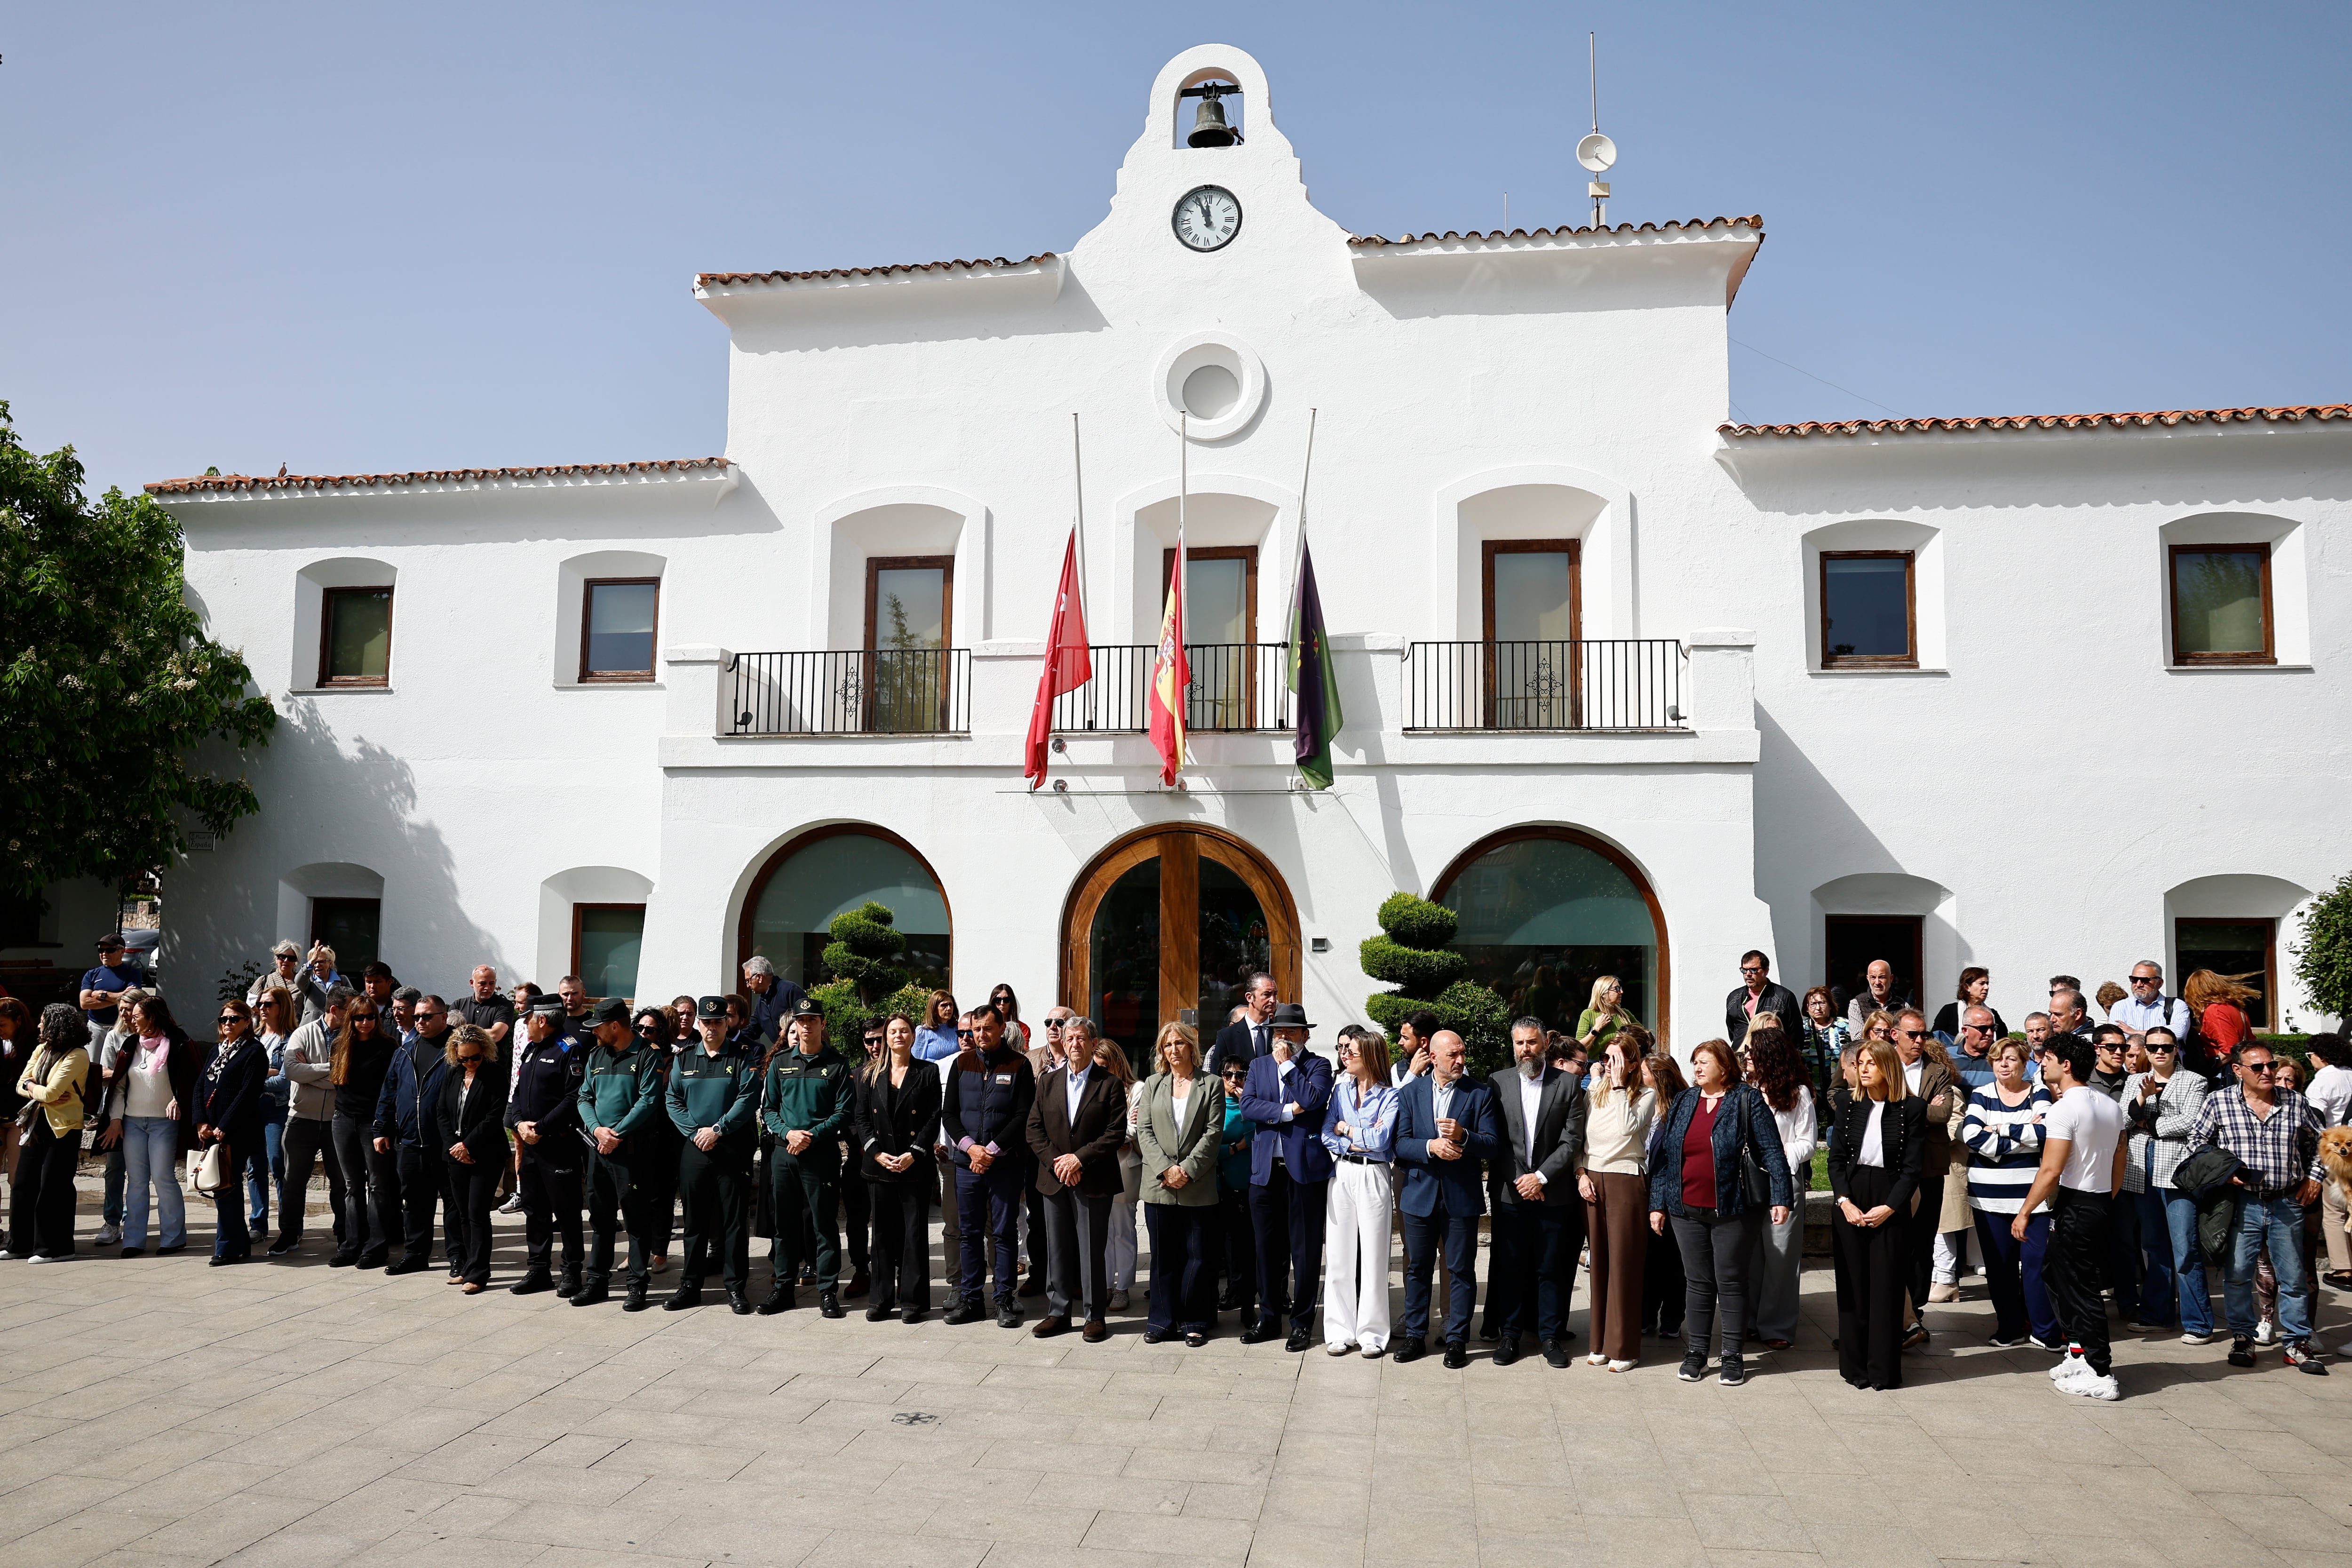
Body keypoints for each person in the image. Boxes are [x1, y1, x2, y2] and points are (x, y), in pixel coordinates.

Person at [1649, 1039, 1793, 1386]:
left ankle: (1732, 1355)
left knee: (1730, 1281)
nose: (1697, 1068)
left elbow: (1773, 1152)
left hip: (1734, 1207)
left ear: (1725, 1067)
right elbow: (1666, 1159)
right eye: (1694, 1062)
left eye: (1704, 1062)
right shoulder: (1685, 1101)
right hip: (1686, 1209)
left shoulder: (1747, 1099)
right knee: (1697, 1282)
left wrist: (1781, 1197)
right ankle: (1696, 1352)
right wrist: (1658, 1204)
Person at [2186, 1041, 2327, 1374]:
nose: (2269, 1072)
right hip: (2243, 1202)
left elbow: (2325, 1141)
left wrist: (2315, 1177)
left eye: (2272, 1065)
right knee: (2237, 1276)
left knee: (2292, 1277)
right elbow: (2196, 1144)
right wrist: (2225, 1171)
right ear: (2238, 1070)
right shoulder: (2218, 1102)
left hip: (2286, 1200)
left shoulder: (2295, 1101)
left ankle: (2296, 1343)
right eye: (2259, 1067)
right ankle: (2243, 1337)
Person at [2015, 1035, 2129, 1399]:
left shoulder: (2064, 1109)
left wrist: (2024, 1212)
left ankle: (2100, 1370)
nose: (2041, 1063)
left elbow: (2051, 1170)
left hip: (2079, 1205)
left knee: (2082, 1288)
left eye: (2046, 1057)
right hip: (2096, 1203)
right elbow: (2120, 1157)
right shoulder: (2111, 1106)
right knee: (2054, 1272)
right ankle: (2079, 1351)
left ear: (2065, 1064)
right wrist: (2105, 1198)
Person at [1390, 1028, 1499, 1366]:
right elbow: (1399, 1144)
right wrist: (1431, 1146)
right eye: (1453, 1054)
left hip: (1460, 1197)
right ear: (1433, 1056)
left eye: (1463, 1052)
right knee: (1418, 1268)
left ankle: (1456, 1339)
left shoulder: (1480, 1093)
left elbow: (1493, 1144)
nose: (1461, 1060)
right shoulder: (1410, 1092)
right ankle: (1415, 1335)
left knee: (1461, 1269)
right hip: (1419, 1195)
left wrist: (1464, 1136)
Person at [1486, 1016, 1586, 1369]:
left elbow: (1572, 1139)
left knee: (1551, 1267)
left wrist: (1540, 1177)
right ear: (1512, 1045)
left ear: (1545, 1044)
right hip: (1511, 1192)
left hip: (1553, 1192)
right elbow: (1495, 1141)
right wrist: (1521, 1179)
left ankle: (1550, 1336)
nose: (1525, 1049)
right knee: (1511, 1266)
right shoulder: (1497, 1083)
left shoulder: (1568, 1084)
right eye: (1519, 1043)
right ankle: (1510, 1335)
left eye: (1531, 1042)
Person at [1828, 1038, 1926, 1390]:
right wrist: (1845, 1202)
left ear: (1888, 1067)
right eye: (1861, 1063)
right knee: (1853, 1286)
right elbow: (1836, 1160)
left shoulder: (1912, 1108)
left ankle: (1883, 1370)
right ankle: (1855, 1368)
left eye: (1871, 1063)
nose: (1863, 1069)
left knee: (1886, 1287)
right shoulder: (1847, 1104)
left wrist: (1889, 1207)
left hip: (1891, 1198)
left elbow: (1913, 1168)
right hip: (1852, 1196)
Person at [1238, 1003, 1336, 1351]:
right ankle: (1268, 1317)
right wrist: (1284, 1111)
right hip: (1265, 1172)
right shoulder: (1258, 1066)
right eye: (1277, 1032)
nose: (1282, 1038)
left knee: (1305, 1250)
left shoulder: (1318, 1066)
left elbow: (1311, 1099)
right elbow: (1248, 1106)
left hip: (1303, 1172)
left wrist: (1289, 1065)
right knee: (1266, 1249)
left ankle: (1302, 1322)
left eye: (1290, 1033)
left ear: (1305, 1035)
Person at [1025, 1013, 1127, 1341]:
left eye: (1081, 1038)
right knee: (1057, 1248)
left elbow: (1115, 1132)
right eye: (1070, 1038)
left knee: (1091, 1250)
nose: (1074, 1044)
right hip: (1055, 1177)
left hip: (1093, 1177)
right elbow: (1034, 1128)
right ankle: (1058, 1312)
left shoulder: (1108, 1083)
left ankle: (1095, 1316)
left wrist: (1078, 1159)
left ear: (1093, 1043)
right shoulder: (1047, 1082)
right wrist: (1058, 1162)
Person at [1959, 1036, 2059, 1349]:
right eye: (1999, 1059)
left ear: (2024, 1063)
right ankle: (2010, 1327)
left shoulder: (2039, 1092)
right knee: (2000, 1266)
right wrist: (2020, 1138)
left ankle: (2045, 1330)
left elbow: (2045, 1133)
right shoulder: (1982, 1094)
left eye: (2012, 1058)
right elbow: (1970, 1135)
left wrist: (2000, 1129)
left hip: (2034, 1198)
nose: (2004, 1064)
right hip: (1988, 1197)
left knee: (2036, 1264)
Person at [942, 1004, 1035, 1327]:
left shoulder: (1019, 1065)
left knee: (1004, 1232)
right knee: (968, 1233)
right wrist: (971, 1149)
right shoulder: (961, 1063)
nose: (980, 1035)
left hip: (1005, 1164)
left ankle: (1005, 1298)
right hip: (967, 1164)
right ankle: (971, 1299)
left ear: (1001, 1029)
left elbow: (1023, 1115)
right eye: (975, 1029)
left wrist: (991, 1151)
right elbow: (950, 1114)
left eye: (987, 1029)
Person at [759, 997, 852, 1316]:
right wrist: (789, 1134)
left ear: (823, 1024)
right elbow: (768, 1109)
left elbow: (844, 1112)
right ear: (794, 1025)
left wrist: (810, 1135)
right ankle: (783, 1288)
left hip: (820, 1154)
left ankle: (828, 1291)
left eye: (813, 1019)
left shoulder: (838, 1064)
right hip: (785, 1154)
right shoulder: (781, 1062)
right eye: (801, 1020)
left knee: (824, 1225)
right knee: (784, 1225)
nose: (807, 1025)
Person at [667, 996, 760, 1313]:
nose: (711, 1028)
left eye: (717, 1022)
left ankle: (736, 1288)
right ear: (699, 1024)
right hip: (695, 1148)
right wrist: (696, 1132)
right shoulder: (684, 1058)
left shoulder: (743, 1057)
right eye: (705, 1023)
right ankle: (690, 1285)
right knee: (694, 1222)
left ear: (726, 1023)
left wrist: (717, 1129)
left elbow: (748, 1100)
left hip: (731, 1148)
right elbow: (673, 1100)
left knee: (734, 1222)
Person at [573, 999, 665, 1310]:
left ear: (615, 1025)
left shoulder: (647, 1054)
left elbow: (648, 1100)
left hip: (632, 1151)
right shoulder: (597, 1054)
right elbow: (584, 1097)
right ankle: (597, 1281)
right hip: (599, 1148)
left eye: (598, 1027)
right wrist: (598, 1130)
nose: (594, 1033)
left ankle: (637, 1285)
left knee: (637, 1220)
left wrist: (617, 1134)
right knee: (600, 1218)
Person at [2122, 1027, 2213, 1343]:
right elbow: (2122, 1120)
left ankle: (2198, 1323)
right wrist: (2143, 1098)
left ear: (2176, 1050)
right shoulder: (2135, 1081)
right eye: (2154, 1047)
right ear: (2145, 1050)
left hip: (2176, 1174)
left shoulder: (2194, 1081)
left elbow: (2190, 1121)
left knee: (2185, 1247)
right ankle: (2157, 1315)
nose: (2160, 1052)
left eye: (2166, 1047)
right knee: (2154, 1246)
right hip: (2141, 1172)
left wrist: (2149, 1123)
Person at [1137, 1021, 1224, 1346]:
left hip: (1197, 1184)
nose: (1173, 1050)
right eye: (1167, 1045)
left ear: (1191, 1047)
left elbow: (1213, 1132)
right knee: (1162, 1257)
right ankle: (1161, 1320)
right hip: (1160, 1186)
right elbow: (1144, 1130)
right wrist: (1165, 1170)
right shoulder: (1152, 1084)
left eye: (1179, 1043)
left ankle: (1195, 1319)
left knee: (1198, 1256)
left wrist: (1185, 1169)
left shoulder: (1211, 1083)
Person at [853, 1012, 941, 1322]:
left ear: (913, 1036)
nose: (898, 1036)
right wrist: (876, 1153)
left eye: (904, 1031)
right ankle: (880, 1299)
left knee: (914, 1235)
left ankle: (913, 1301)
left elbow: (934, 1117)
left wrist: (914, 1153)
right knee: (882, 1236)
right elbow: (861, 1118)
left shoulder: (928, 1072)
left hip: (913, 1165)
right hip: (880, 1165)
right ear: (886, 1037)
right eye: (893, 1032)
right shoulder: (868, 1074)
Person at [1577, 1034, 1654, 1371]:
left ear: (1633, 1063)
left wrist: (1621, 1086)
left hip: (1626, 1178)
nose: (1609, 1065)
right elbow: (1580, 1136)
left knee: (1624, 1264)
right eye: (1606, 1059)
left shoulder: (1647, 1095)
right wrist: (1580, 1172)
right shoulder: (1594, 1090)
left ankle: (1624, 1347)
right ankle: (1599, 1342)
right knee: (1600, 1264)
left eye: (1617, 1059)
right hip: (1592, 1178)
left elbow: (1627, 1130)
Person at [1318, 1025, 1396, 1358]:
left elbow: (1382, 1141)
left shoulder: (1391, 1096)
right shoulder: (1340, 1091)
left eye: (1352, 1051)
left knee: (1376, 1257)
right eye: (1344, 1050)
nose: (1345, 1055)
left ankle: (1373, 1333)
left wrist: (1347, 1129)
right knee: (1337, 1256)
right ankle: (1338, 1330)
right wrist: (1357, 1135)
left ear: (1371, 1055)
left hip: (1374, 1175)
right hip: (1342, 1172)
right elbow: (1326, 1133)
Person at [504, 995, 587, 1297]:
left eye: (527, 1019)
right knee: (534, 1210)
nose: (524, 1024)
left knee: (566, 1212)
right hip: (531, 1144)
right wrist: (519, 1123)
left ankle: (571, 1272)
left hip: (557, 1145)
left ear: (542, 1020)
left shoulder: (570, 1049)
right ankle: (538, 1270)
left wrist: (540, 1127)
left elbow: (573, 1099)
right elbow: (516, 1095)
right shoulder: (531, 1050)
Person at [1742, 1026, 1815, 1351]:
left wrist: (1781, 1155)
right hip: (1748, 1180)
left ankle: (1776, 1324)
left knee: (1781, 1256)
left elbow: (1808, 1142)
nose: (1745, 1057)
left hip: (1784, 1179)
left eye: (1750, 1052)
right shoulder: (1744, 1091)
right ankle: (1748, 1319)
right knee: (1750, 1255)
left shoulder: (1798, 1093)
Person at [1888, 1009, 1959, 1345]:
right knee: (1890, 1239)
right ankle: (1890, 1313)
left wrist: (1901, 1101)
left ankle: (1914, 1313)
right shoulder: (1883, 1065)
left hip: (1928, 1166)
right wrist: (1920, 1105)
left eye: (1924, 1035)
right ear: (1895, 1034)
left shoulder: (1939, 1071)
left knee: (1922, 1240)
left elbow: (1942, 1114)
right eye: (1913, 1034)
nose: (1920, 1041)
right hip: (1889, 1167)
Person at [112, 995, 198, 1257]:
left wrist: (178, 1100)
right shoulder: (130, 1044)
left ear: (153, 1017)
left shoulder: (179, 1043)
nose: (131, 1019)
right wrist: (116, 1120)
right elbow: (119, 1086)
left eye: (137, 1015)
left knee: (163, 1178)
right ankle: (133, 1241)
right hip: (133, 1122)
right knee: (136, 1181)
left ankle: (173, 1238)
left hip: (164, 1123)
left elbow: (192, 1080)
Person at [4, 1005, 91, 1262]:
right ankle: (19, 1244)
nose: (39, 1026)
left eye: (43, 1022)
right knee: (22, 1184)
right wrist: (36, 1087)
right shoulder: (42, 1050)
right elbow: (21, 1083)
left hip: (64, 1128)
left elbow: (51, 1094)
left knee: (53, 1188)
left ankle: (56, 1248)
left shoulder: (78, 1055)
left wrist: (36, 1089)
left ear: (56, 1025)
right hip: (35, 1125)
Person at [374, 993, 453, 1275]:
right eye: (417, 1016)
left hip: (447, 1142)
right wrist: (382, 1128)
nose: (419, 1021)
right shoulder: (404, 1051)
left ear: (444, 1017)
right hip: (410, 1141)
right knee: (415, 1203)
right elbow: (389, 1093)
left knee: (453, 1203)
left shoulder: (458, 1048)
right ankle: (416, 1254)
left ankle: (458, 1257)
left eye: (426, 1016)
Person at [275, 985, 352, 1258]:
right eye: (350, 1010)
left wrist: (312, 1073)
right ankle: (289, 1233)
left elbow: (351, 1076)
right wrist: (332, 1071)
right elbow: (293, 1070)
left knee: (342, 1183)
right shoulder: (303, 1033)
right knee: (293, 1181)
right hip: (300, 1118)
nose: (356, 1016)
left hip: (338, 1121)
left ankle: (345, 1234)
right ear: (335, 1010)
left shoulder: (353, 1037)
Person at [434, 1024, 509, 1293]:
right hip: (456, 1154)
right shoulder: (453, 1073)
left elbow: (494, 1116)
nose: (469, 1062)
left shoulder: (495, 1075)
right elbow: (442, 1111)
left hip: (486, 1154)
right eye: (464, 1058)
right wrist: (455, 1146)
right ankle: (466, 1266)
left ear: (484, 1052)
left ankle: (478, 1273)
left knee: (477, 1213)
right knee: (462, 1213)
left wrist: (468, 1145)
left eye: (474, 1057)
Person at [193, 999, 267, 1265]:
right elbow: (200, 1087)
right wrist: (201, 1123)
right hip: (212, 1132)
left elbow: (247, 1094)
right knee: (223, 1188)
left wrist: (224, 1126)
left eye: (234, 1019)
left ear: (248, 1022)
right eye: (224, 1019)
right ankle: (240, 1244)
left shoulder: (254, 1052)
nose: (228, 1024)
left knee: (225, 1189)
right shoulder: (216, 1051)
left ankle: (226, 1247)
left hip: (236, 1132)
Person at [326, 996, 396, 1268]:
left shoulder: (387, 1046)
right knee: (351, 1185)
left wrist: (385, 1125)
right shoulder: (340, 1044)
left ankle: (376, 1247)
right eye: (359, 1018)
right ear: (350, 1019)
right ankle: (351, 1244)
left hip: (374, 1123)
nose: (365, 1022)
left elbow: (391, 1090)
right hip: (343, 1119)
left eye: (370, 1017)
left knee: (378, 1185)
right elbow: (337, 1083)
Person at [1637, 1049, 1689, 1341]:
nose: (1638, 1077)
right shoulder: (1642, 1103)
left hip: (1671, 1196)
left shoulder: (1680, 1108)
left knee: (1672, 1261)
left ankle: (1671, 1318)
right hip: (1642, 1190)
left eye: (1643, 1073)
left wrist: (1660, 1203)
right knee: (1648, 1260)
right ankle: (1645, 1315)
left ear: (1658, 1077)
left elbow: (1673, 1161)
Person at [630, 1005, 684, 1285]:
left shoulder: (674, 1058)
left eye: (649, 1029)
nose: (643, 1033)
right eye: (639, 1028)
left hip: (667, 1134)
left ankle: (660, 1251)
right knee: (636, 1194)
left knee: (662, 1195)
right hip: (639, 1134)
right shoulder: (633, 1056)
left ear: (661, 1032)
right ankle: (637, 1250)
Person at [1097, 1032, 1143, 1310]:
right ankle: (1104, 1285)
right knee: (1100, 1230)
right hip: (1097, 1165)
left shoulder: (1136, 1089)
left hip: (1125, 1167)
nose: (1100, 1072)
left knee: (1123, 1228)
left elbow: (1134, 1129)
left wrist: (1107, 1136)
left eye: (1105, 1066)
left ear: (1116, 1063)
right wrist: (1115, 1135)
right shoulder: (1091, 1086)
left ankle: (1123, 1286)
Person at [2304, 1034, 2352, 1292]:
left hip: (2336, 1153)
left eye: (2309, 1055)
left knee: (2334, 1212)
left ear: (2320, 1055)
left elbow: (2315, 1121)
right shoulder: (2350, 1074)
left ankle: (2344, 1269)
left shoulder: (2323, 1081)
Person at [1214, 1056, 1256, 1319]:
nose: (1233, 1080)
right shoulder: (1214, 1105)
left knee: (1247, 1243)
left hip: (1247, 1184)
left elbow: (1255, 1135)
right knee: (1226, 1244)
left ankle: (1249, 1295)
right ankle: (1233, 1290)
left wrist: (1245, 1103)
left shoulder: (1249, 1105)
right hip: (1219, 1185)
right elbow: (1208, 1144)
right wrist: (1234, 1148)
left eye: (1240, 1075)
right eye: (1228, 1075)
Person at [79, 932, 148, 1043]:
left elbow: (131, 999)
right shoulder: (92, 974)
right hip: (96, 1027)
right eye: (101, 950)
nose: (105, 953)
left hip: (122, 1028)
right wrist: (120, 998)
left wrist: (102, 994)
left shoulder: (133, 973)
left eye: (110, 950)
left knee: (118, 1060)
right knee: (94, 1061)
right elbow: (84, 1003)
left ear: (122, 952)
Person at [1208, 972, 1278, 1077]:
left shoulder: (1280, 1032)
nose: (1273, 1000)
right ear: (1250, 997)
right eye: (1267, 994)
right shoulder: (1227, 1036)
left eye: (1275, 994)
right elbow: (1217, 1078)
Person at [1725, 951, 1799, 1049]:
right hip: (1741, 1057)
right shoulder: (1734, 998)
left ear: (1766, 971)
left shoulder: (1784, 996)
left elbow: (1796, 1034)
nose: (1748, 974)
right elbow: (1732, 1031)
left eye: (1754, 970)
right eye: (1744, 970)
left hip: (1771, 1058)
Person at [249, 939, 329, 1022]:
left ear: (296, 962)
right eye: (282, 957)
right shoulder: (264, 980)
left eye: (291, 958)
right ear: (276, 959)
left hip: (294, 1030)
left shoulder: (304, 982)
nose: (286, 961)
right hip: (267, 1028)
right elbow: (251, 1006)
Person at [1797, 987, 1849, 1113]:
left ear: (1831, 1006)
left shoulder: (1845, 1026)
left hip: (1840, 1089)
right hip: (1810, 1091)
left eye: (1822, 1003)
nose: (1818, 1008)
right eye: (1813, 1004)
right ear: (1807, 1008)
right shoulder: (1801, 1029)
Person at [2109, 961, 2191, 1040]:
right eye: (2134, 979)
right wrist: (2163, 1033)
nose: (2138, 985)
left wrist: (2134, 1032)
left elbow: (2180, 1032)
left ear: (2160, 983)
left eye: (2145, 980)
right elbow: (2116, 1036)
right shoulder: (2120, 1006)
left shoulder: (2176, 1005)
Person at [739, 955, 807, 1049]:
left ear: (759, 977)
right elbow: (753, 1030)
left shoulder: (790, 991)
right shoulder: (761, 1003)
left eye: (748, 981)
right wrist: (729, 1039)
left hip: (800, 1051)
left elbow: (806, 1020)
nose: (748, 986)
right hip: (781, 1054)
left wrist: (788, 1031)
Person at [0, 997, 31, 1182]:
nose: (0, 1030)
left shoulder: (33, 1045)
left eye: (3, 1025)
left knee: (17, 1178)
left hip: (18, 1120)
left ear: (18, 1021)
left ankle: (18, 1212)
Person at [1932, 967, 2007, 1042]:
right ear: (1967, 987)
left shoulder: (1993, 1015)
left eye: (1987, 984)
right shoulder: (1950, 1011)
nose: (1987, 988)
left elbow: (2002, 1041)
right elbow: (1934, 1038)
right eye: (1982, 984)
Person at [1844, 960, 1907, 1037]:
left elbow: (1906, 1037)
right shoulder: (1857, 1004)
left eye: (1882, 977)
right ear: (1868, 979)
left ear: (1891, 978)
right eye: (1873, 978)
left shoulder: (1904, 1007)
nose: (1877, 982)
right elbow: (1858, 1038)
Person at [1573, 977, 1630, 1058]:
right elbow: (1579, 1049)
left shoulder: (1625, 1014)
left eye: (1620, 988)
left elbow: (1644, 1036)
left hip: (1624, 1066)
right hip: (1597, 1067)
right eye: (1617, 989)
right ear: (1603, 993)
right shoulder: (1589, 1014)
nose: (1621, 992)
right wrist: (1596, 1029)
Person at [989, 984, 1031, 1051]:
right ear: (993, 1002)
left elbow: (1024, 1052)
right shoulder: (986, 1027)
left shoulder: (1023, 1028)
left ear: (1012, 1003)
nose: (1002, 1003)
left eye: (1007, 1000)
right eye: (998, 1000)